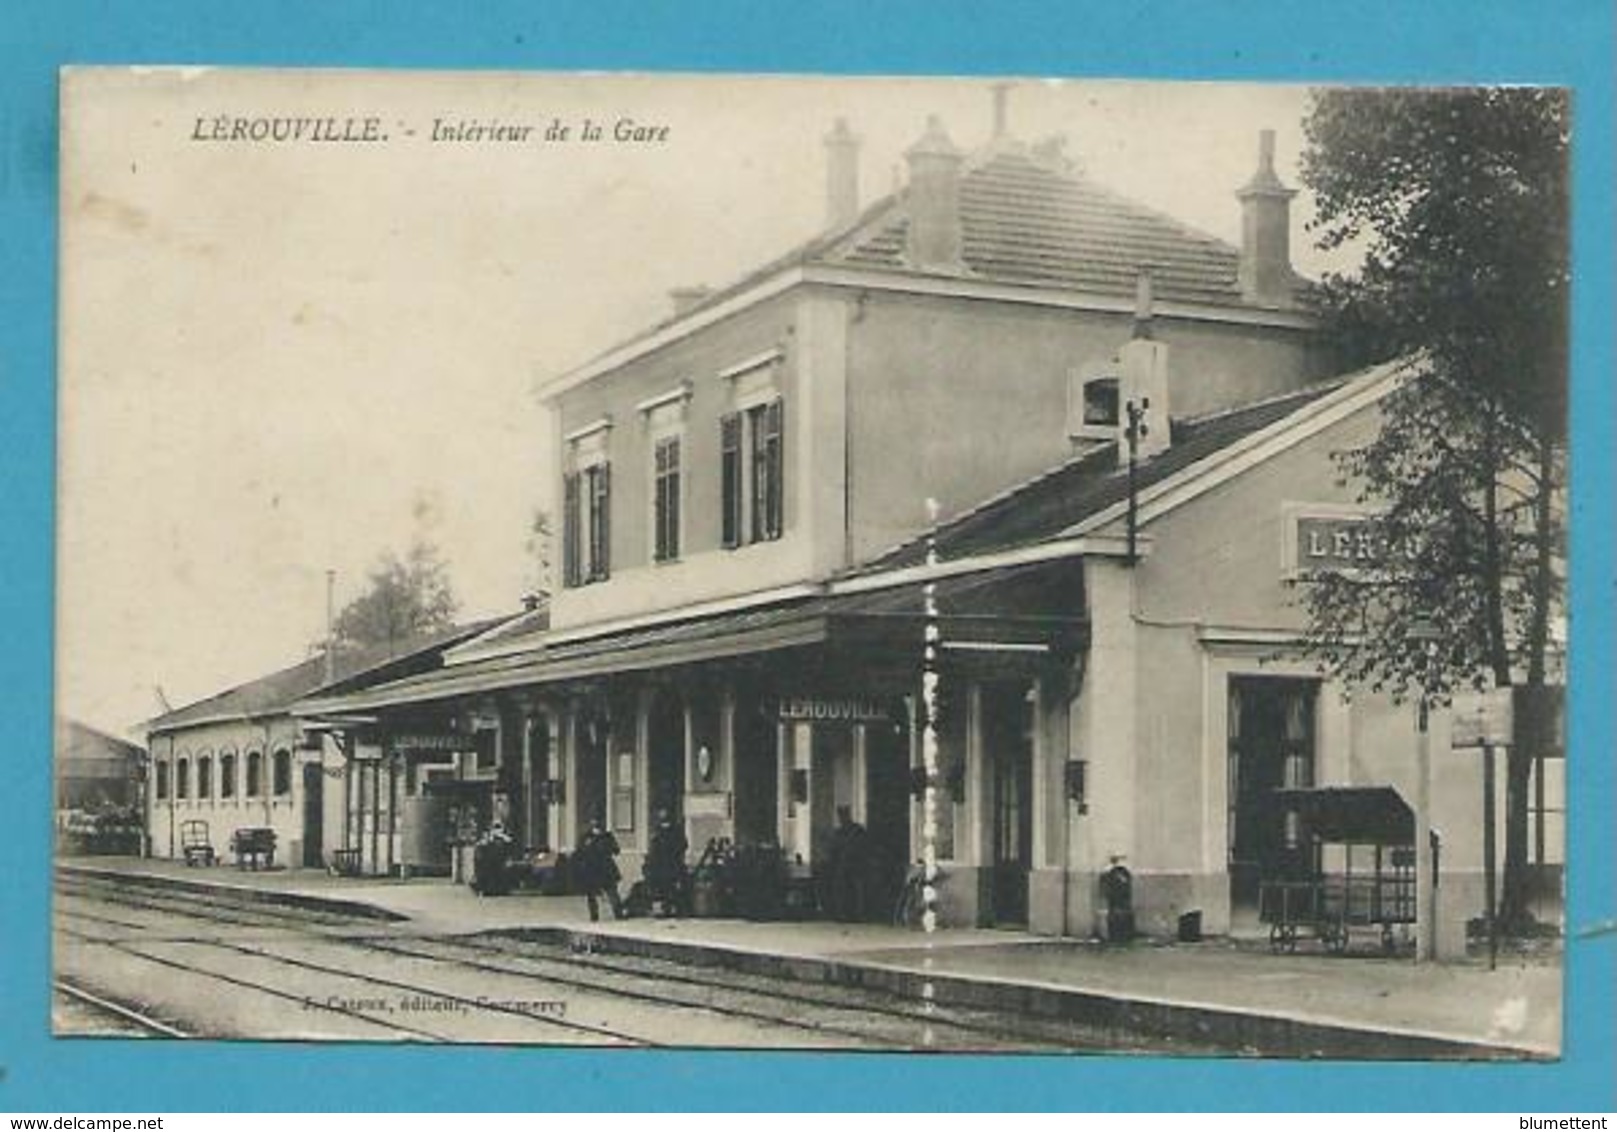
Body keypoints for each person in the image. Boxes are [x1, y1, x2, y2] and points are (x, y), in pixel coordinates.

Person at [826, 805, 872, 922]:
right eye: (841, 816)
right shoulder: (838, 833)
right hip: (842, 865)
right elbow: (833, 850)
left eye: (844, 815)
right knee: (841, 890)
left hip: (857, 864)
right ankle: (843, 914)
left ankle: (859, 914)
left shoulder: (857, 830)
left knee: (858, 891)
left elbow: (865, 847)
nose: (842, 818)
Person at [574, 816, 623, 921]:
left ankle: (618, 913)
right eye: (593, 820)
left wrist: (608, 847)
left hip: (605, 867)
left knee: (612, 891)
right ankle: (594, 915)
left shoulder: (607, 836)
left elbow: (616, 850)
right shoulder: (586, 837)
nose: (595, 822)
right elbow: (579, 852)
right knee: (591, 893)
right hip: (591, 868)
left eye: (597, 820)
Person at [644, 808, 689, 918]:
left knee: (666, 888)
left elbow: (654, 848)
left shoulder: (659, 831)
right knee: (670, 887)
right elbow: (684, 845)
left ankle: (668, 909)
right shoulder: (674, 830)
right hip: (669, 863)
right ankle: (671, 909)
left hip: (665, 864)